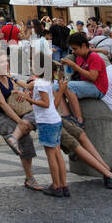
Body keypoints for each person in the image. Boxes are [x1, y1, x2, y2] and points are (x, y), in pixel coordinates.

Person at [0, 56, 43, 191]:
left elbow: (16, 96)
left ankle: (15, 136)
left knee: (39, 114)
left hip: (12, 113)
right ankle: (29, 178)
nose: (6, 63)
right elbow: (2, 104)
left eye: (7, 61)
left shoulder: (8, 78)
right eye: (2, 61)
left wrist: (20, 94)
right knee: (25, 137)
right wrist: (19, 121)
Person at [22, 69, 67, 198]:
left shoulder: (41, 84)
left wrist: (29, 99)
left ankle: (56, 186)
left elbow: (46, 104)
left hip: (47, 122)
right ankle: (64, 186)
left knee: (51, 156)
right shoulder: (46, 82)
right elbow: (53, 104)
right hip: (55, 120)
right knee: (58, 154)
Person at [58, 35, 108, 123]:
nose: (73, 52)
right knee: (56, 87)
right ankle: (67, 115)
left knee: (69, 86)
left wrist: (74, 66)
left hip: (98, 88)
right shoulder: (80, 57)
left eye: (75, 49)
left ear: (84, 46)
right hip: (86, 84)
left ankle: (79, 119)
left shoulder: (94, 57)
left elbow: (93, 77)